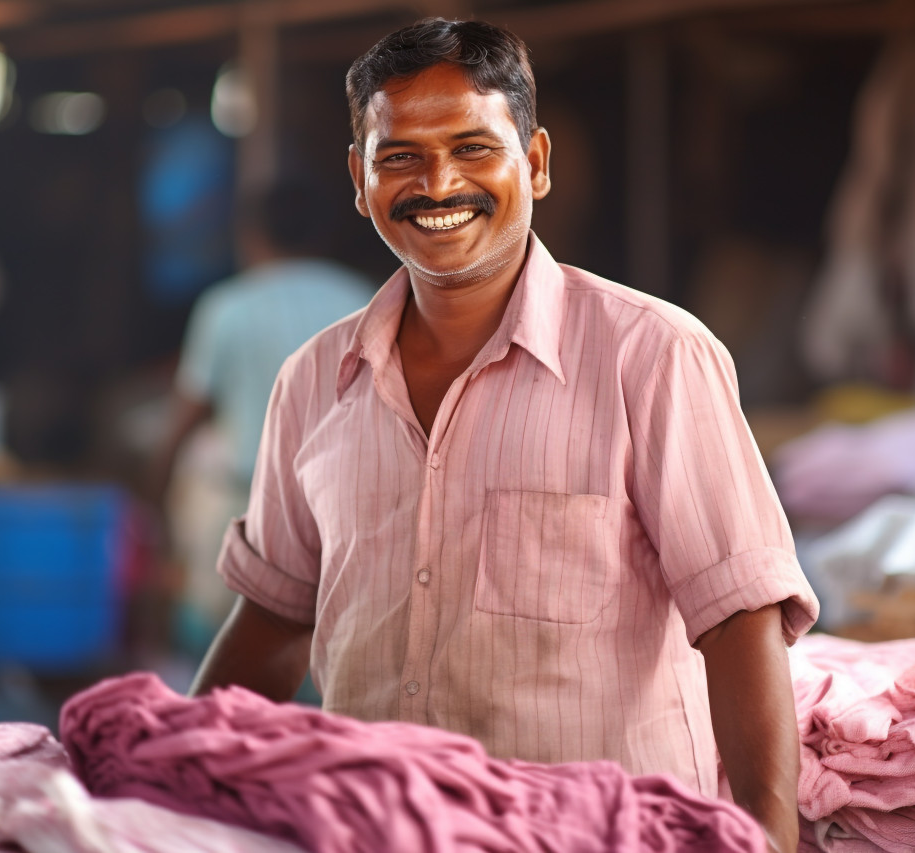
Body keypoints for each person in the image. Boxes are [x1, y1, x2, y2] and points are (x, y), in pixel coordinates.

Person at [189, 18, 819, 853]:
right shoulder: (312, 380)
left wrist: (768, 841)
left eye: (473, 147)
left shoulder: (655, 356)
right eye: (400, 155)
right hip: (380, 832)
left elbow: (741, 624)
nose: (438, 182)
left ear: (538, 162)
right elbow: (273, 622)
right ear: (359, 176)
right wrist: (165, 768)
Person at [146, 181, 374, 650]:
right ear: (325, 236)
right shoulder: (368, 301)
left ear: (252, 235)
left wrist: (154, 494)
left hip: (246, 514)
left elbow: (184, 420)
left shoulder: (228, 308)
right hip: (344, 517)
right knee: (327, 675)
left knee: (226, 669)